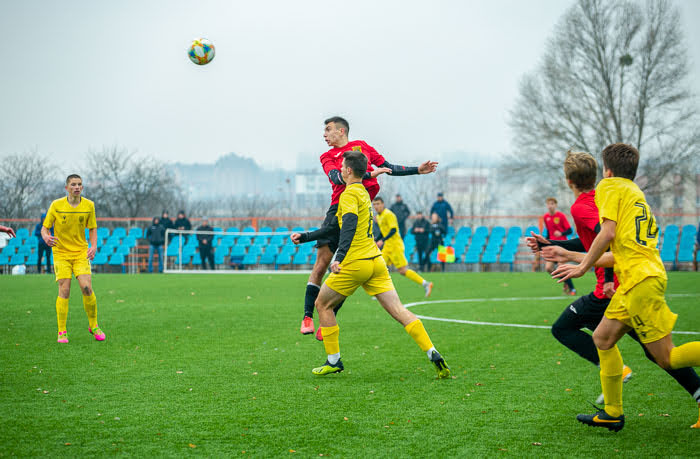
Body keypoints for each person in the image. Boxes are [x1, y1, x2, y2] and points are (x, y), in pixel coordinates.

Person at [527, 151, 700, 428]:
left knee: (666, 356)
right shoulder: (633, 192)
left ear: (605, 172)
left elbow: (606, 237)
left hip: (634, 281)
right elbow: (603, 237)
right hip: (633, 281)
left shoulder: (606, 190)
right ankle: (612, 413)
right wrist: (556, 247)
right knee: (604, 339)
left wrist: (585, 267)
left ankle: (618, 399)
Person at [291, 151, 450, 378]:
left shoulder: (347, 195)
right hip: (376, 261)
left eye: (342, 167)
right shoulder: (365, 193)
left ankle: (333, 360)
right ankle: (432, 352)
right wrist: (306, 236)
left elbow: (346, 227)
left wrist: (338, 257)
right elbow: (335, 227)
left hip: (355, 263)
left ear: (346, 171)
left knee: (322, 305)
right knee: (399, 310)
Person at [299, 116, 438, 339]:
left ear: (341, 131)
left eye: (328, 130)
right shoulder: (327, 157)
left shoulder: (362, 147)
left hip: (362, 211)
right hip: (340, 208)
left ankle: (329, 317)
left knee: (348, 267)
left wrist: (417, 170)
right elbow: (338, 178)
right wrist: (371, 174)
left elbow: (388, 167)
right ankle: (307, 316)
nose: (324, 135)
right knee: (322, 262)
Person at [41, 174, 105, 344]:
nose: (77, 187)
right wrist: (46, 237)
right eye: (73, 184)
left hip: (80, 253)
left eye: (79, 184)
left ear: (82, 188)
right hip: (61, 253)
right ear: (66, 188)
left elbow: (92, 229)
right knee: (65, 289)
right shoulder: (56, 205)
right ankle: (62, 331)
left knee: (87, 288)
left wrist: (93, 246)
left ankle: (94, 325)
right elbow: (44, 228)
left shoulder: (89, 206)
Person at [372, 196, 433, 297]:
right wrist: (377, 239)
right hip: (388, 246)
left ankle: (426, 284)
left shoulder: (388, 214)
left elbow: (393, 230)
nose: (376, 206)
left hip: (395, 246)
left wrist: (382, 240)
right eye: (374, 204)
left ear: (383, 204)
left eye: (378, 204)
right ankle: (381, 293)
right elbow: (384, 232)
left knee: (402, 270)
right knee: (379, 267)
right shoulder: (379, 217)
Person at [541, 197, 576, 295]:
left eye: (552, 204)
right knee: (548, 268)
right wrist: (544, 243)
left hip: (562, 246)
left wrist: (561, 233)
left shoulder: (561, 216)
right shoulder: (546, 217)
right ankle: (566, 282)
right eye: (548, 204)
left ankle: (572, 289)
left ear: (555, 205)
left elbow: (570, 230)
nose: (550, 206)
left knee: (561, 268)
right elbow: (548, 232)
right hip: (551, 246)